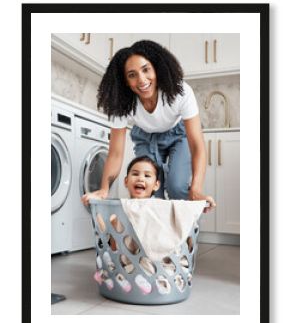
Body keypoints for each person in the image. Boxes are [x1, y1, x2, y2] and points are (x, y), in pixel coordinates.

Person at [81, 40, 215, 212]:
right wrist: (104, 189)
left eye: (146, 69)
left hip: (178, 135)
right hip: (145, 136)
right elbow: (115, 153)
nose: (141, 80)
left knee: (177, 186)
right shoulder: (121, 102)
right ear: (125, 81)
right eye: (132, 75)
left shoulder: (179, 91)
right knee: (150, 193)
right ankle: (154, 238)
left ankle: (187, 238)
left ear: (156, 68)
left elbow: (197, 146)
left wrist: (196, 190)